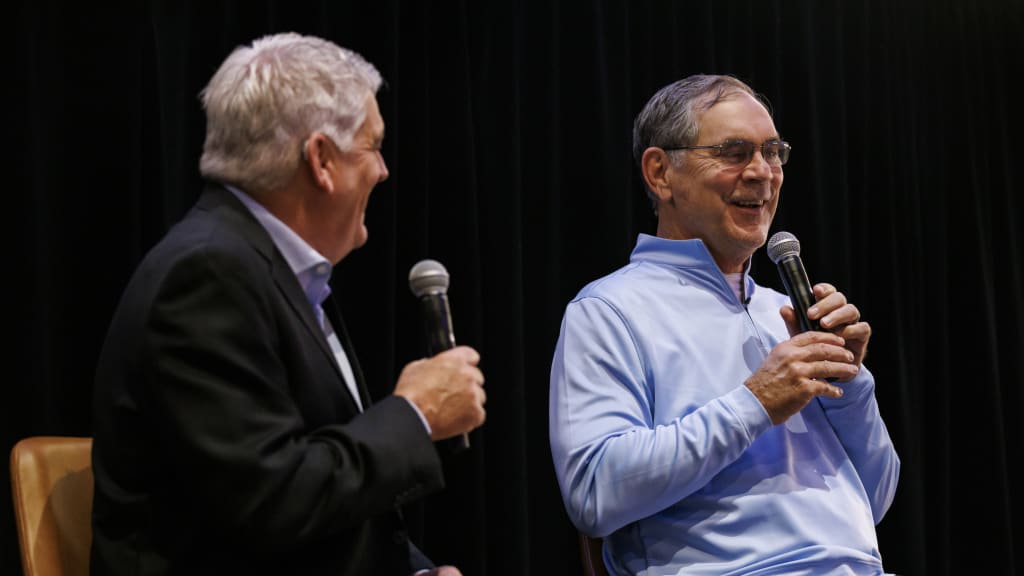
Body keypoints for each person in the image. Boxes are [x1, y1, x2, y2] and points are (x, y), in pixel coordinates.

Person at [90, 32, 486, 576]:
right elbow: (269, 501)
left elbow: (329, 496)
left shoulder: (278, 272)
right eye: (372, 146)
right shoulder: (206, 276)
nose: (383, 170)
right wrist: (415, 414)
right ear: (321, 160)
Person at [549, 74, 900, 575]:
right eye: (734, 152)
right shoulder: (609, 310)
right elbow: (594, 495)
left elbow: (878, 499)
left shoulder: (788, 314)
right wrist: (755, 402)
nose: (762, 173)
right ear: (660, 173)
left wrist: (851, 385)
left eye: (773, 152)